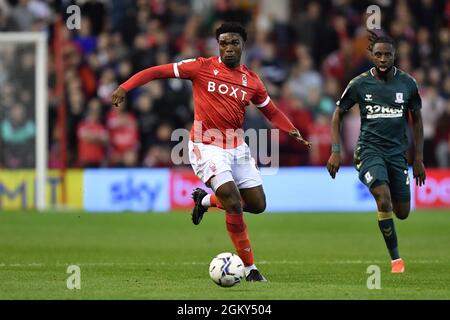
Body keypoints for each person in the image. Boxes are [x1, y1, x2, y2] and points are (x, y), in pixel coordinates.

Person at [112, 22, 311, 282]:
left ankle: (204, 200)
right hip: (206, 145)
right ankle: (251, 269)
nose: (229, 48)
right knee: (232, 201)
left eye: (234, 43)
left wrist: (291, 129)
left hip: (237, 146)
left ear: (243, 45)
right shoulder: (201, 66)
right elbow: (158, 72)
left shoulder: (251, 80)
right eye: (224, 43)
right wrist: (125, 87)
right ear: (218, 45)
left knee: (257, 205)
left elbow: (270, 110)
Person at [326, 31, 426, 273]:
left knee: (402, 212)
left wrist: (419, 158)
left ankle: (386, 198)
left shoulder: (407, 84)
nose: (383, 59)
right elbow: (338, 113)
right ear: (371, 55)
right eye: (378, 54)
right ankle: (396, 261)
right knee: (383, 198)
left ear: (395, 55)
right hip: (369, 150)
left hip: (398, 153)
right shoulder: (359, 84)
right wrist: (336, 150)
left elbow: (418, 120)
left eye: (387, 55)